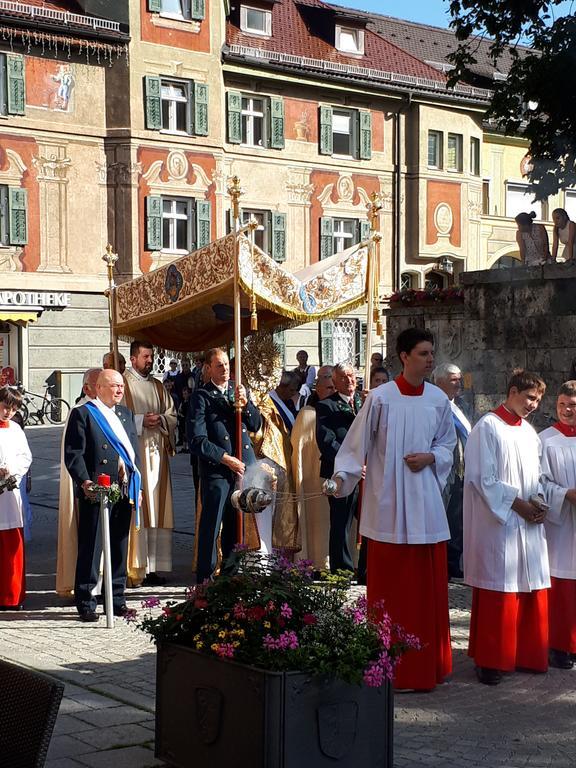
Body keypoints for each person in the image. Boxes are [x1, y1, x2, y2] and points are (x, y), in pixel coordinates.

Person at [332, 328, 456, 691]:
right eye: (423, 353)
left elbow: (447, 443)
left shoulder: (437, 399)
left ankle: (427, 666)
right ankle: (389, 668)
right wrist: (342, 478)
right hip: (387, 505)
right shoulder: (381, 398)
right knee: (391, 593)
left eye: (432, 353)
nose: (430, 359)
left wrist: (432, 456)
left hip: (426, 505)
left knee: (425, 592)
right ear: (404, 356)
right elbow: (357, 444)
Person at [464, 370, 549, 685]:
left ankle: (526, 653)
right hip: (499, 523)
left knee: (529, 585)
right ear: (512, 391)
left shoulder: (528, 431)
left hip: (527, 521)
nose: (534, 405)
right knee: (499, 588)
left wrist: (537, 501)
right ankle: (491, 660)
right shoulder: (488, 427)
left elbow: (536, 474)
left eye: (538, 400)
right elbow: (482, 479)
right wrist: (519, 505)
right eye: (529, 397)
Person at [64, 369, 141, 622]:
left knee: (119, 544)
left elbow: (132, 452)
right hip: (96, 489)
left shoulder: (125, 414)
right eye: (113, 385)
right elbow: (74, 454)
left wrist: (136, 486)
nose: (119, 390)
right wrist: (85, 481)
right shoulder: (84, 414)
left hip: (123, 486)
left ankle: (116, 598)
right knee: (92, 545)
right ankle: (86, 601)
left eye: (121, 386)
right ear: (98, 388)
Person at [188, 348, 261, 583]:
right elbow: (197, 439)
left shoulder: (236, 393)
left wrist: (246, 404)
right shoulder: (202, 396)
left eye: (227, 366)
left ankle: (231, 574)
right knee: (212, 525)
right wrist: (225, 458)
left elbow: (256, 424)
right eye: (219, 366)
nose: (225, 370)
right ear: (208, 369)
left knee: (235, 525)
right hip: (218, 469)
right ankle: (205, 579)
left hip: (240, 469)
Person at [123, 340, 177, 587]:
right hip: (136, 456)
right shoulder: (122, 384)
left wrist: (163, 420)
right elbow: (117, 417)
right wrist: (139, 421)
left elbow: (173, 414)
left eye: (151, 356)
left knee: (158, 507)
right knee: (140, 507)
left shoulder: (157, 385)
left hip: (158, 456)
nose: (149, 361)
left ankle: (155, 566)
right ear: (133, 358)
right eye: (145, 356)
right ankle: (136, 566)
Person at [539, 380, 576, 669]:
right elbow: (539, 482)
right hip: (561, 521)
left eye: (572, 406)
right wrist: (565, 494)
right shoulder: (546, 440)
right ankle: (559, 646)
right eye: (562, 405)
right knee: (561, 585)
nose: (566, 410)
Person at [56, 367, 102, 597]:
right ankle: (87, 590)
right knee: (89, 541)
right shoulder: (79, 412)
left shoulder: (112, 411)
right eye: (100, 383)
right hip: (88, 485)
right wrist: (85, 481)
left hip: (110, 484)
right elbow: (73, 455)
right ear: (87, 388)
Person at [316, 362, 362, 574]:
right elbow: (327, 442)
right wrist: (350, 465)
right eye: (343, 377)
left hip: (367, 471)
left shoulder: (365, 402)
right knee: (341, 521)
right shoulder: (327, 406)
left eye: (351, 376)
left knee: (368, 521)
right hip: (341, 473)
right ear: (334, 381)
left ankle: (366, 568)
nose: (349, 380)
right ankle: (341, 569)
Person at [431, 363, 471, 579]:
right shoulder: (433, 406)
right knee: (442, 517)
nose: (459, 384)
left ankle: (454, 562)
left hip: (462, 472)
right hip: (442, 470)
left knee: (457, 519)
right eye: (453, 379)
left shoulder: (463, 405)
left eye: (459, 379)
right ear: (439, 382)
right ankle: (440, 564)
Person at [292, 366, 335, 570]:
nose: (331, 390)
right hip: (312, 479)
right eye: (327, 386)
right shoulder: (308, 414)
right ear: (317, 387)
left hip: (338, 476)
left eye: (334, 386)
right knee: (317, 521)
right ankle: (315, 562)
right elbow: (299, 451)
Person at [0, 386, 32, 611]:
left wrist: (12, 471)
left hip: (10, 495)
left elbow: (26, 457)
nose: (7, 413)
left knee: (12, 546)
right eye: (4, 407)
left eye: (12, 409)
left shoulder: (16, 430)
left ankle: (12, 596)